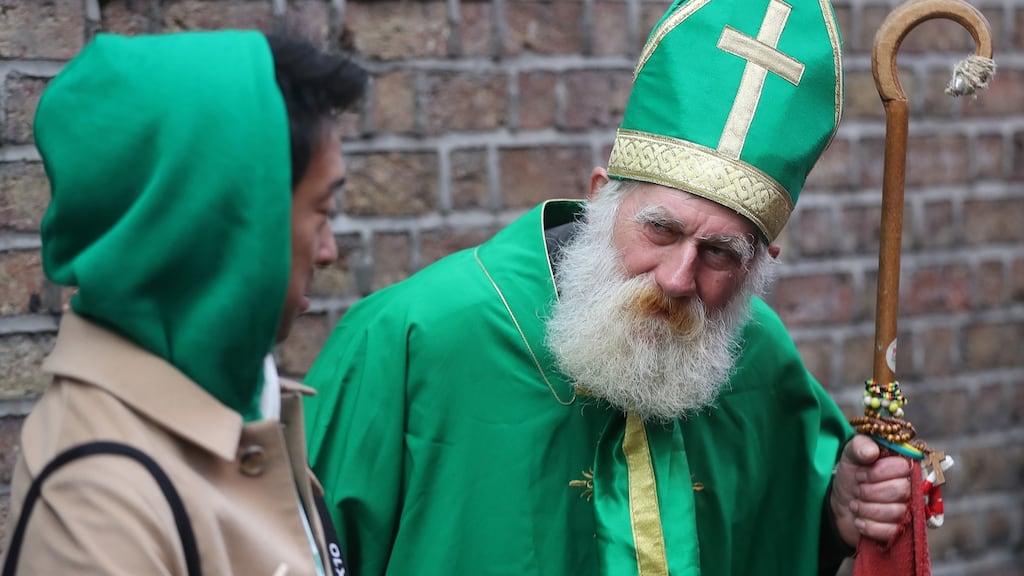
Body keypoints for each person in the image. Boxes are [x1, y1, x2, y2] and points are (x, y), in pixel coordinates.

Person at [303, 0, 911, 574]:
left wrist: (838, 511)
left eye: (719, 254)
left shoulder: (759, 354)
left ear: (761, 263)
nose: (677, 278)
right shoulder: (407, 339)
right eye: (660, 230)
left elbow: (785, 526)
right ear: (600, 197)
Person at [0, 31, 366, 574]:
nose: (330, 251)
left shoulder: (239, 401)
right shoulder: (97, 506)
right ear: (222, 229)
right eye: (320, 209)